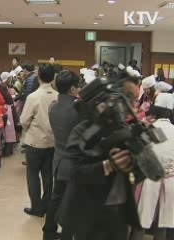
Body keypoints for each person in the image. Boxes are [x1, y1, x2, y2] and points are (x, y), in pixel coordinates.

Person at [57, 71, 143, 240]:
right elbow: (74, 172)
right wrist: (108, 165)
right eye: (127, 97)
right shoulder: (84, 130)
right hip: (87, 213)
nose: (133, 105)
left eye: (135, 99)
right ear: (110, 96)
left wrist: (134, 163)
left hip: (119, 215)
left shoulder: (128, 132)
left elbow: (140, 174)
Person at [129, 93, 174, 240]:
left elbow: (138, 154)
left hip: (149, 180)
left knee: (141, 222)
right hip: (171, 182)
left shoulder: (150, 128)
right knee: (163, 223)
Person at [42, 70, 80, 240]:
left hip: (59, 159)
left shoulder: (53, 107)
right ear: (73, 89)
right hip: (74, 163)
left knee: (56, 198)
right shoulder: (78, 109)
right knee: (72, 202)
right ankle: (67, 234)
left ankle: (48, 232)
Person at [20, 64, 58, 217]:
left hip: (35, 142)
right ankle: (47, 205)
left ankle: (36, 207)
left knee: (33, 175)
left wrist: (29, 129)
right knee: (48, 175)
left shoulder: (33, 97)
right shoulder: (57, 96)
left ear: (39, 76)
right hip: (52, 142)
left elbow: (23, 120)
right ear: (53, 77)